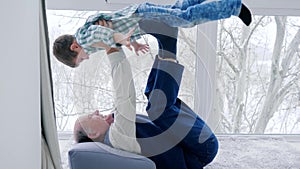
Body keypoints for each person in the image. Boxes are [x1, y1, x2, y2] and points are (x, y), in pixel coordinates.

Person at [73, 20, 218, 169]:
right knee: (158, 109)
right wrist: (110, 46)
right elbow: (124, 94)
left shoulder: (115, 136)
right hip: (200, 150)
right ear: (93, 133)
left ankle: (165, 44)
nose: (96, 111)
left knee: (154, 98)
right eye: (91, 116)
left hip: (191, 146)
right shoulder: (117, 138)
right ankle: (168, 42)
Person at [53, 0, 252, 67]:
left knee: (185, 19)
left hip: (141, 15)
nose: (85, 58)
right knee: (180, 9)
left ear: (74, 47)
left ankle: (232, 6)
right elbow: (109, 29)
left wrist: (119, 39)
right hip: (141, 16)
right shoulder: (85, 36)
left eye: (80, 59)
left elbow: (102, 31)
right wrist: (131, 42)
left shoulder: (86, 40)